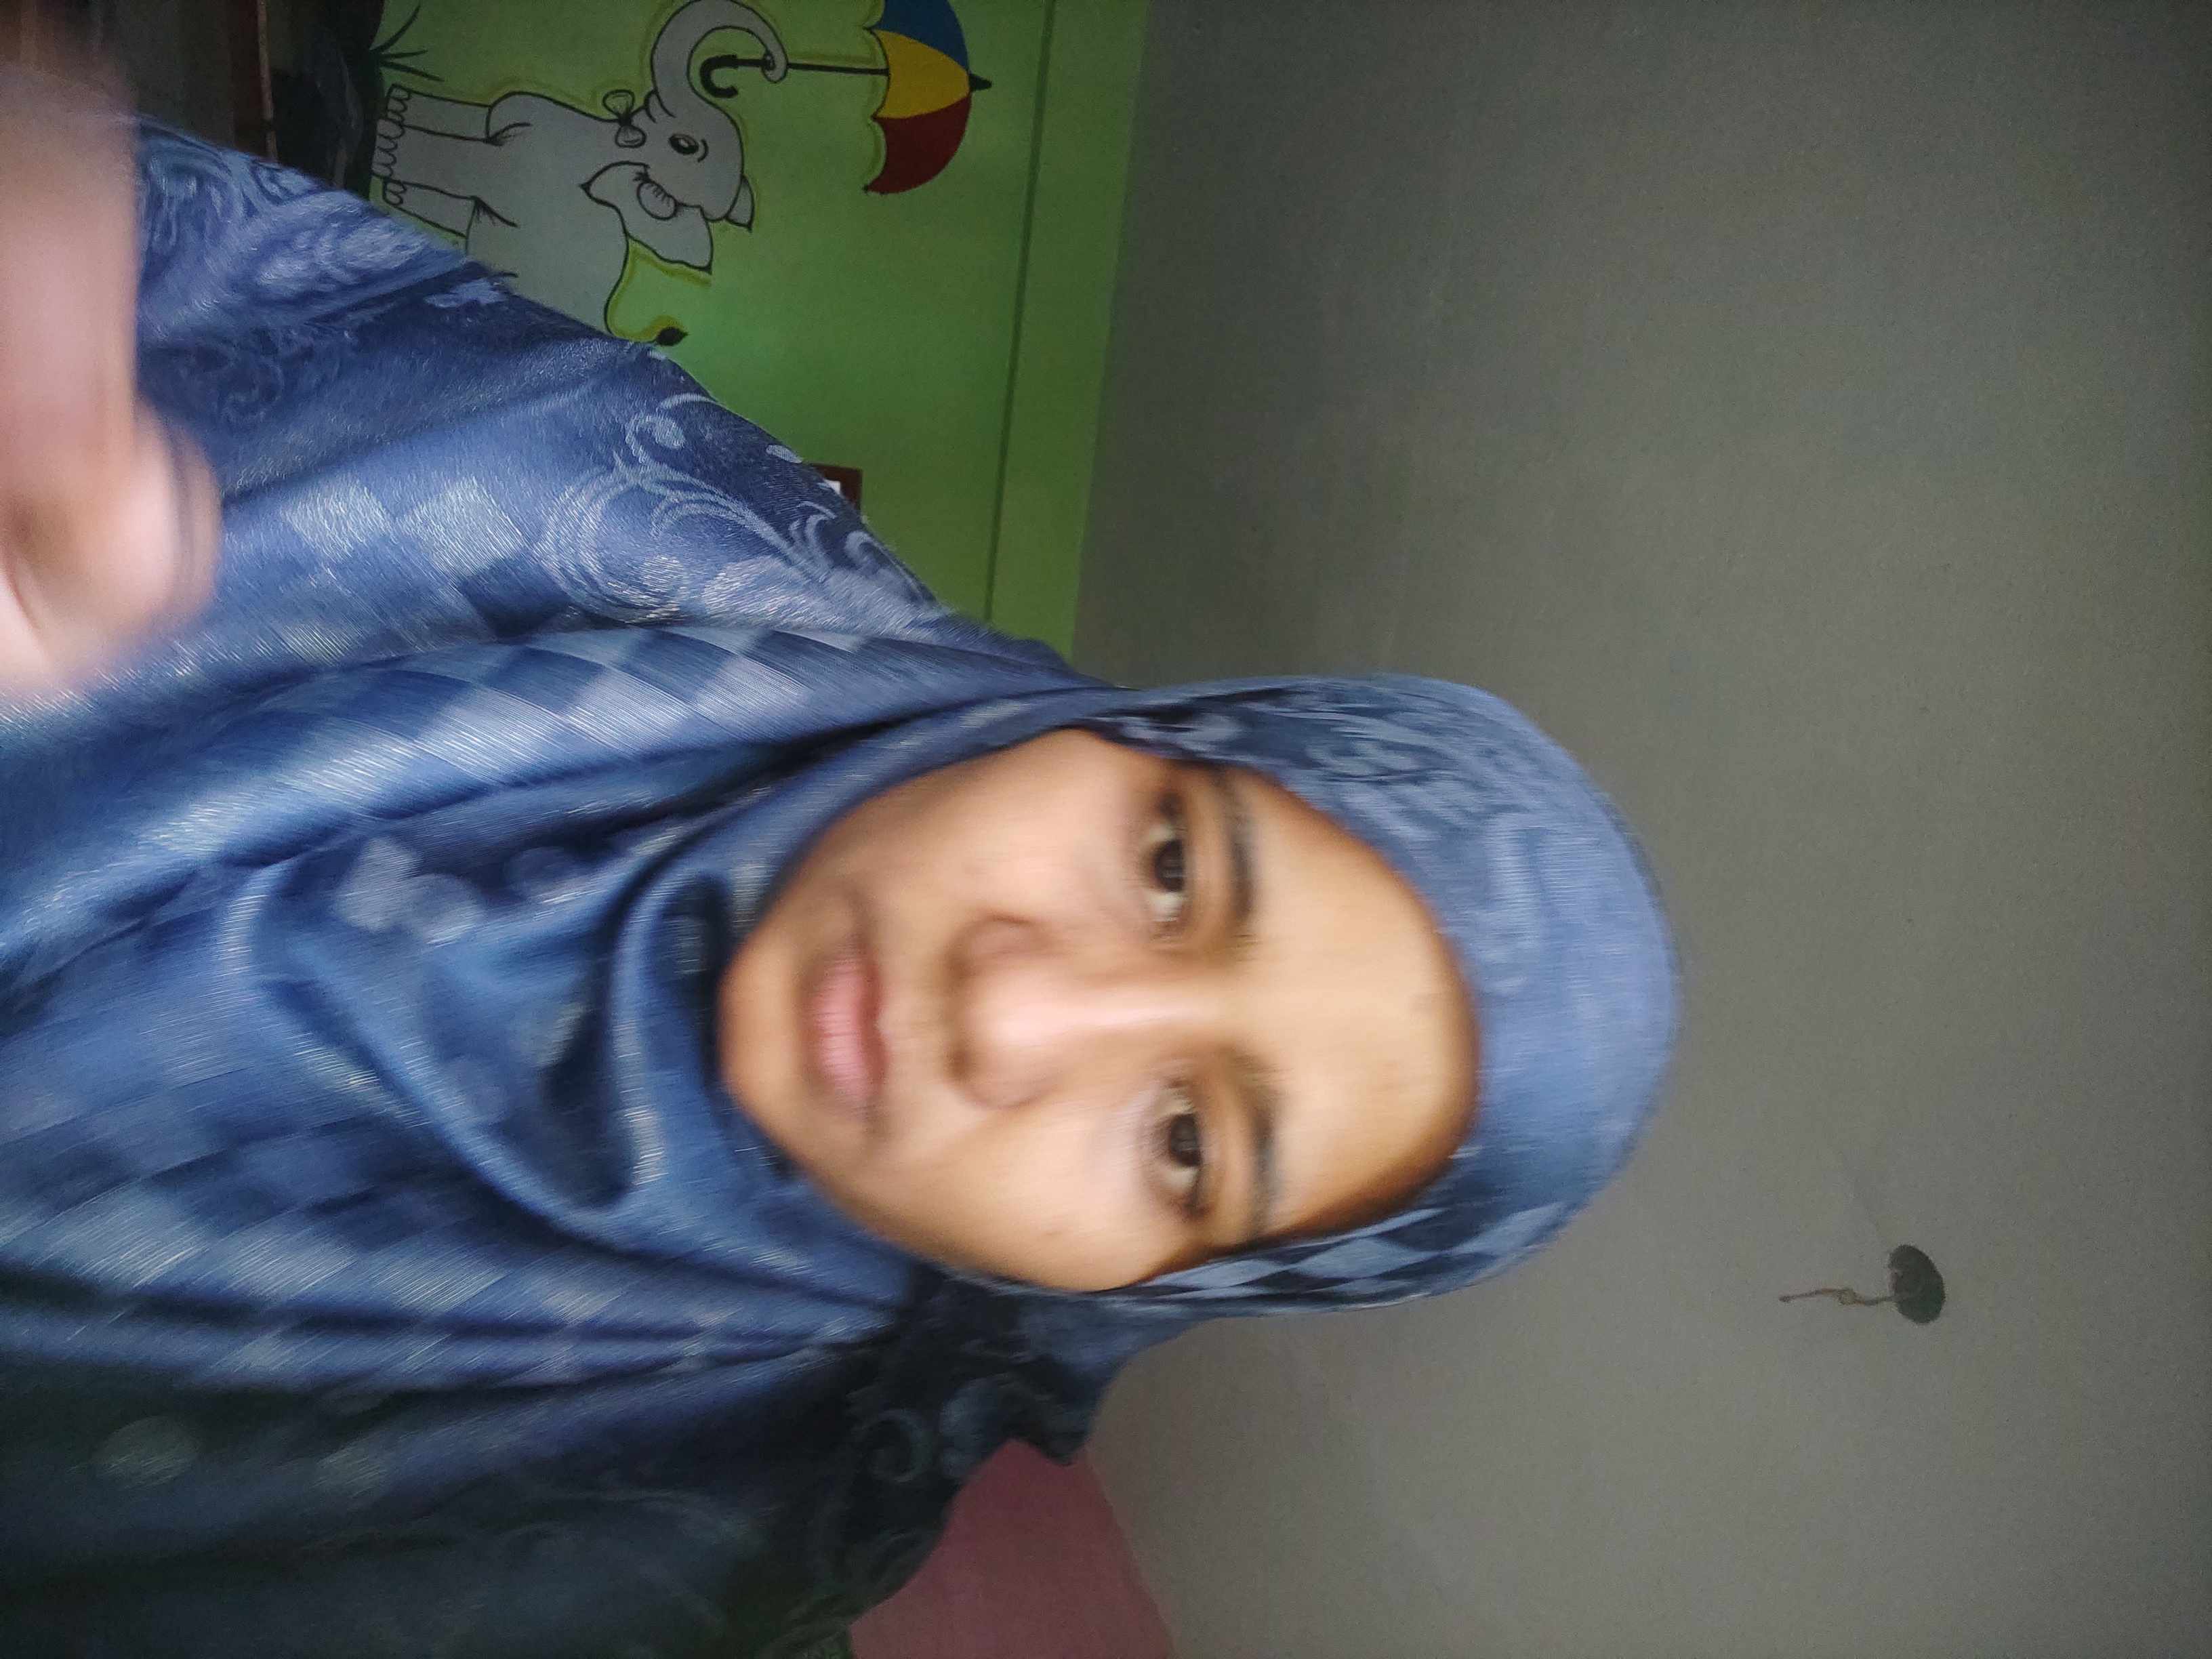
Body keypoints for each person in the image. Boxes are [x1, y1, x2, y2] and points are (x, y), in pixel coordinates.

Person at [0, 66, 1677, 1659]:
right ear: (1129, 733)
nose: (1014, 1015)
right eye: (1173, 865)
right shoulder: (600, 508)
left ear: (1165, 1285)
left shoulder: (712, 1530)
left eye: (1185, 1144)